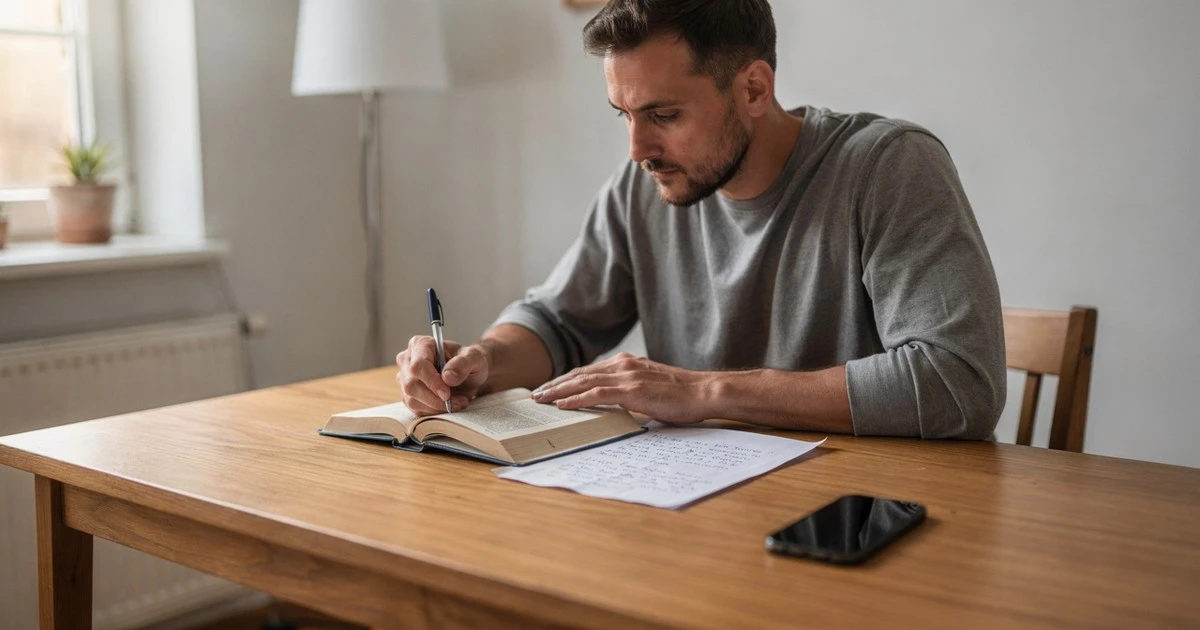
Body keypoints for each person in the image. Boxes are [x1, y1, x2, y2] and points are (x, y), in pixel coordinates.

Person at [396, 0, 1006, 439]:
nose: (637, 149)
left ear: (754, 89)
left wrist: (702, 390)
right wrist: (481, 362)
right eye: (624, 115)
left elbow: (958, 383)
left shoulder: (886, 167)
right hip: (701, 507)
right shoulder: (644, 188)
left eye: (663, 115)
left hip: (860, 517)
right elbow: (558, 321)